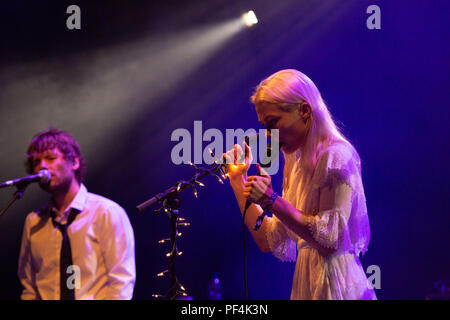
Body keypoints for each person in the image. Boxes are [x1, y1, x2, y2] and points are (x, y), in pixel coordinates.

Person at [225, 69, 377, 299]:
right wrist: (239, 181)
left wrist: (271, 200)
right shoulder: (296, 168)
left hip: (338, 288)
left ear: (304, 110)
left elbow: (330, 239)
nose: (268, 135)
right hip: (307, 286)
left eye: (272, 123)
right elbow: (268, 240)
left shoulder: (337, 156)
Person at [18, 128, 136, 300]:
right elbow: (30, 288)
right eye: (36, 162)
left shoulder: (106, 212)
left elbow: (121, 282)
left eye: (50, 158)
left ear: (74, 162)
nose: (42, 166)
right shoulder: (33, 221)